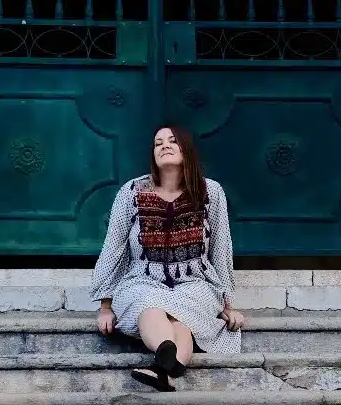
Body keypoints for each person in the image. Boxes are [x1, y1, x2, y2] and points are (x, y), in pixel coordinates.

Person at [89, 125, 245, 392]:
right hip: (142, 280)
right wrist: (105, 305)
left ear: (186, 149)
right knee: (149, 305)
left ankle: (162, 370)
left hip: (195, 283)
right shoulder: (132, 192)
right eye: (158, 143)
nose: (164, 146)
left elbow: (221, 248)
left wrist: (228, 304)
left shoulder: (211, 192)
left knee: (181, 320)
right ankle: (167, 362)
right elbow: (113, 248)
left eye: (173, 141)